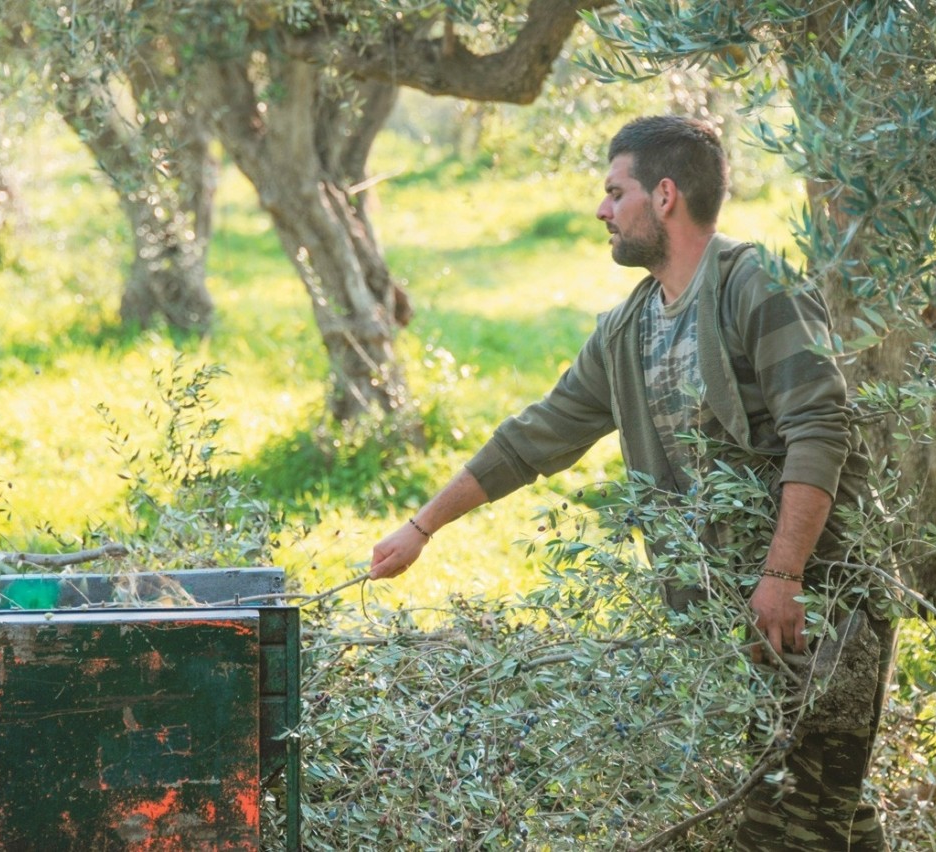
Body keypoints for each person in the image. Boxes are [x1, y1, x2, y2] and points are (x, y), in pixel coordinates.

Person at [369, 115, 896, 851]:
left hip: (820, 604)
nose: (602, 210)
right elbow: (532, 438)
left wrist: (784, 574)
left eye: (616, 192)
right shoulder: (626, 330)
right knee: (825, 815)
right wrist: (421, 527)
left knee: (791, 826)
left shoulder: (756, 285)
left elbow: (819, 428)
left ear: (666, 195)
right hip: (740, 622)